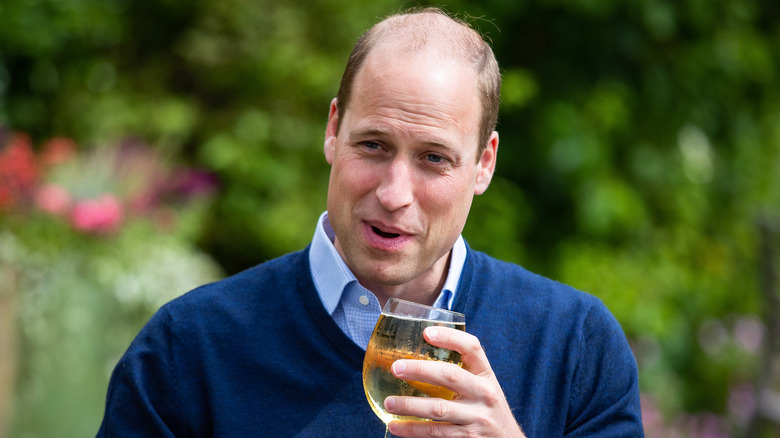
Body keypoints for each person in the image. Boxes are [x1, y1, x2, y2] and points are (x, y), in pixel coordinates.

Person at [97, 7, 644, 438]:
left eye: (434, 157)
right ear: (333, 129)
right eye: (374, 145)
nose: (394, 194)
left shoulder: (577, 347)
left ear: (484, 163)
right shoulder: (188, 350)